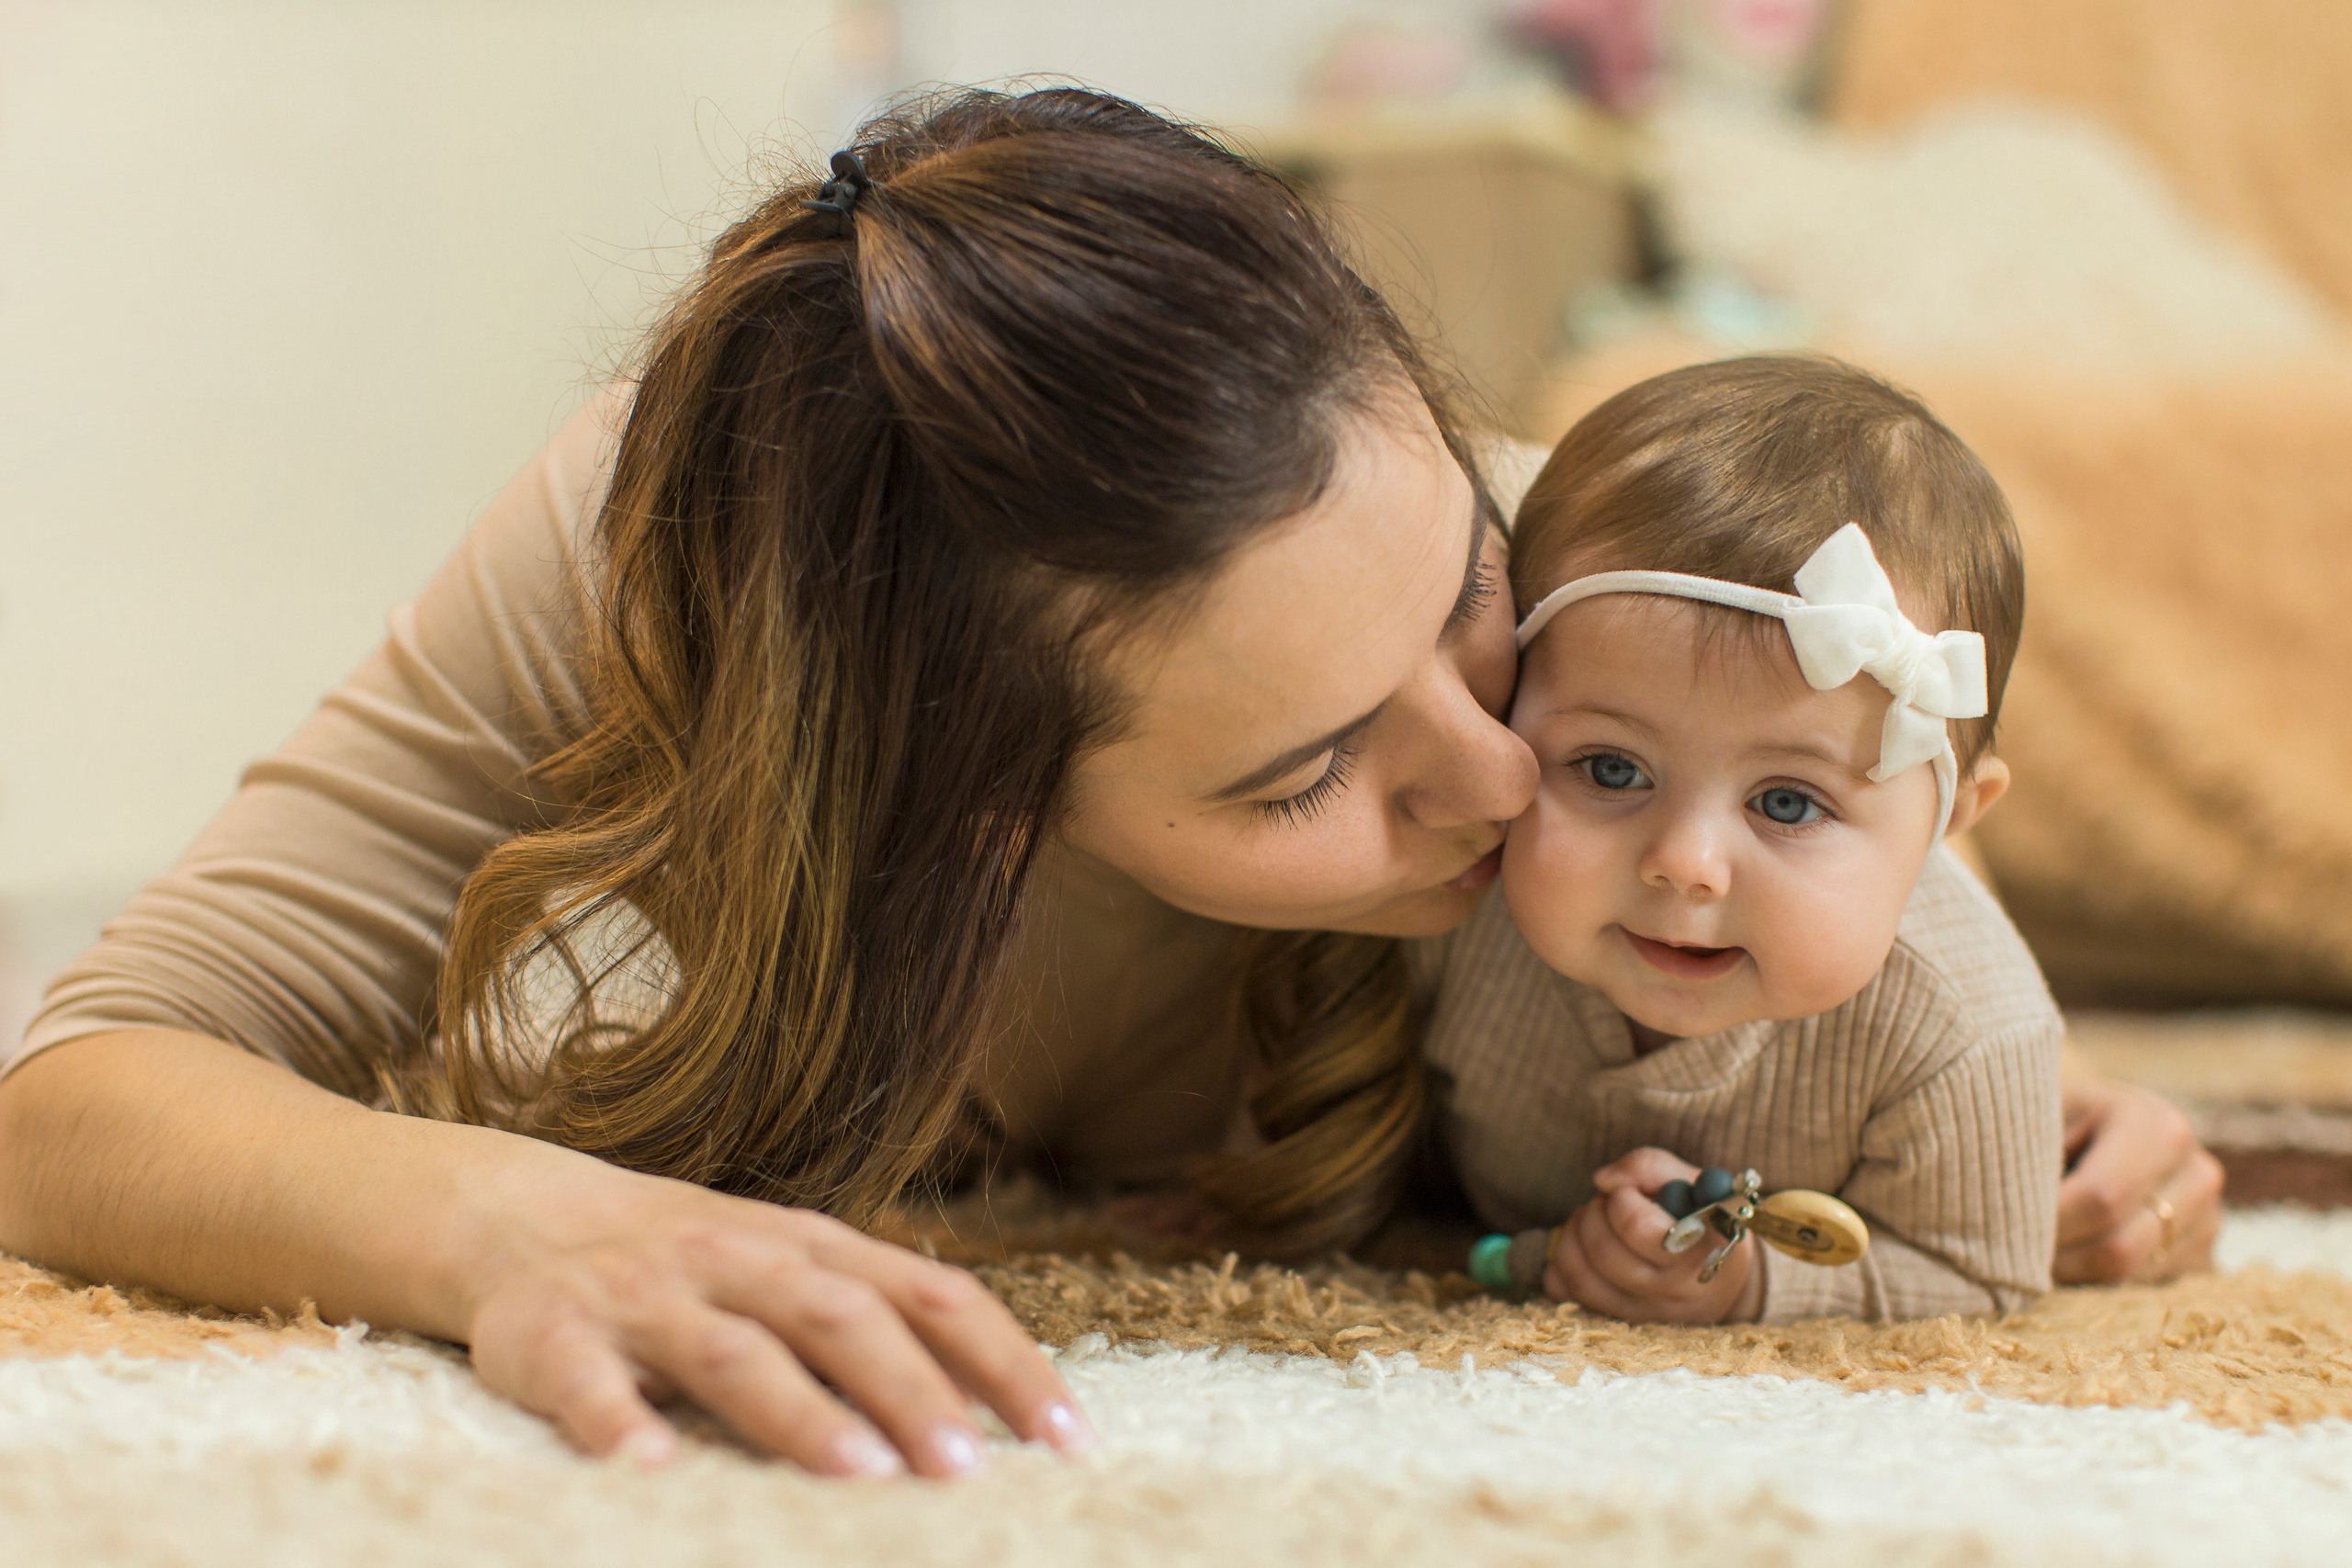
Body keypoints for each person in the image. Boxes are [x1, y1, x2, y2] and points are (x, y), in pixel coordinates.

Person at [0, 90, 2216, 1480]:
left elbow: (1854, 863)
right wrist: (502, 1217)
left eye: (1458, 581)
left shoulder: (1598, 623)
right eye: (1308, 766)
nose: (1493, 771)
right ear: (957, 806)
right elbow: (82, 1083)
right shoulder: (637, 573)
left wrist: (1978, 1115)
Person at [1424, 357, 2058, 1324]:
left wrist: (1761, 1284)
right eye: (1609, 769)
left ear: (1945, 825)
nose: (1684, 861)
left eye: (1789, 804)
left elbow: (1985, 1277)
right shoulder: (1454, 897)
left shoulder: (1964, 1030)